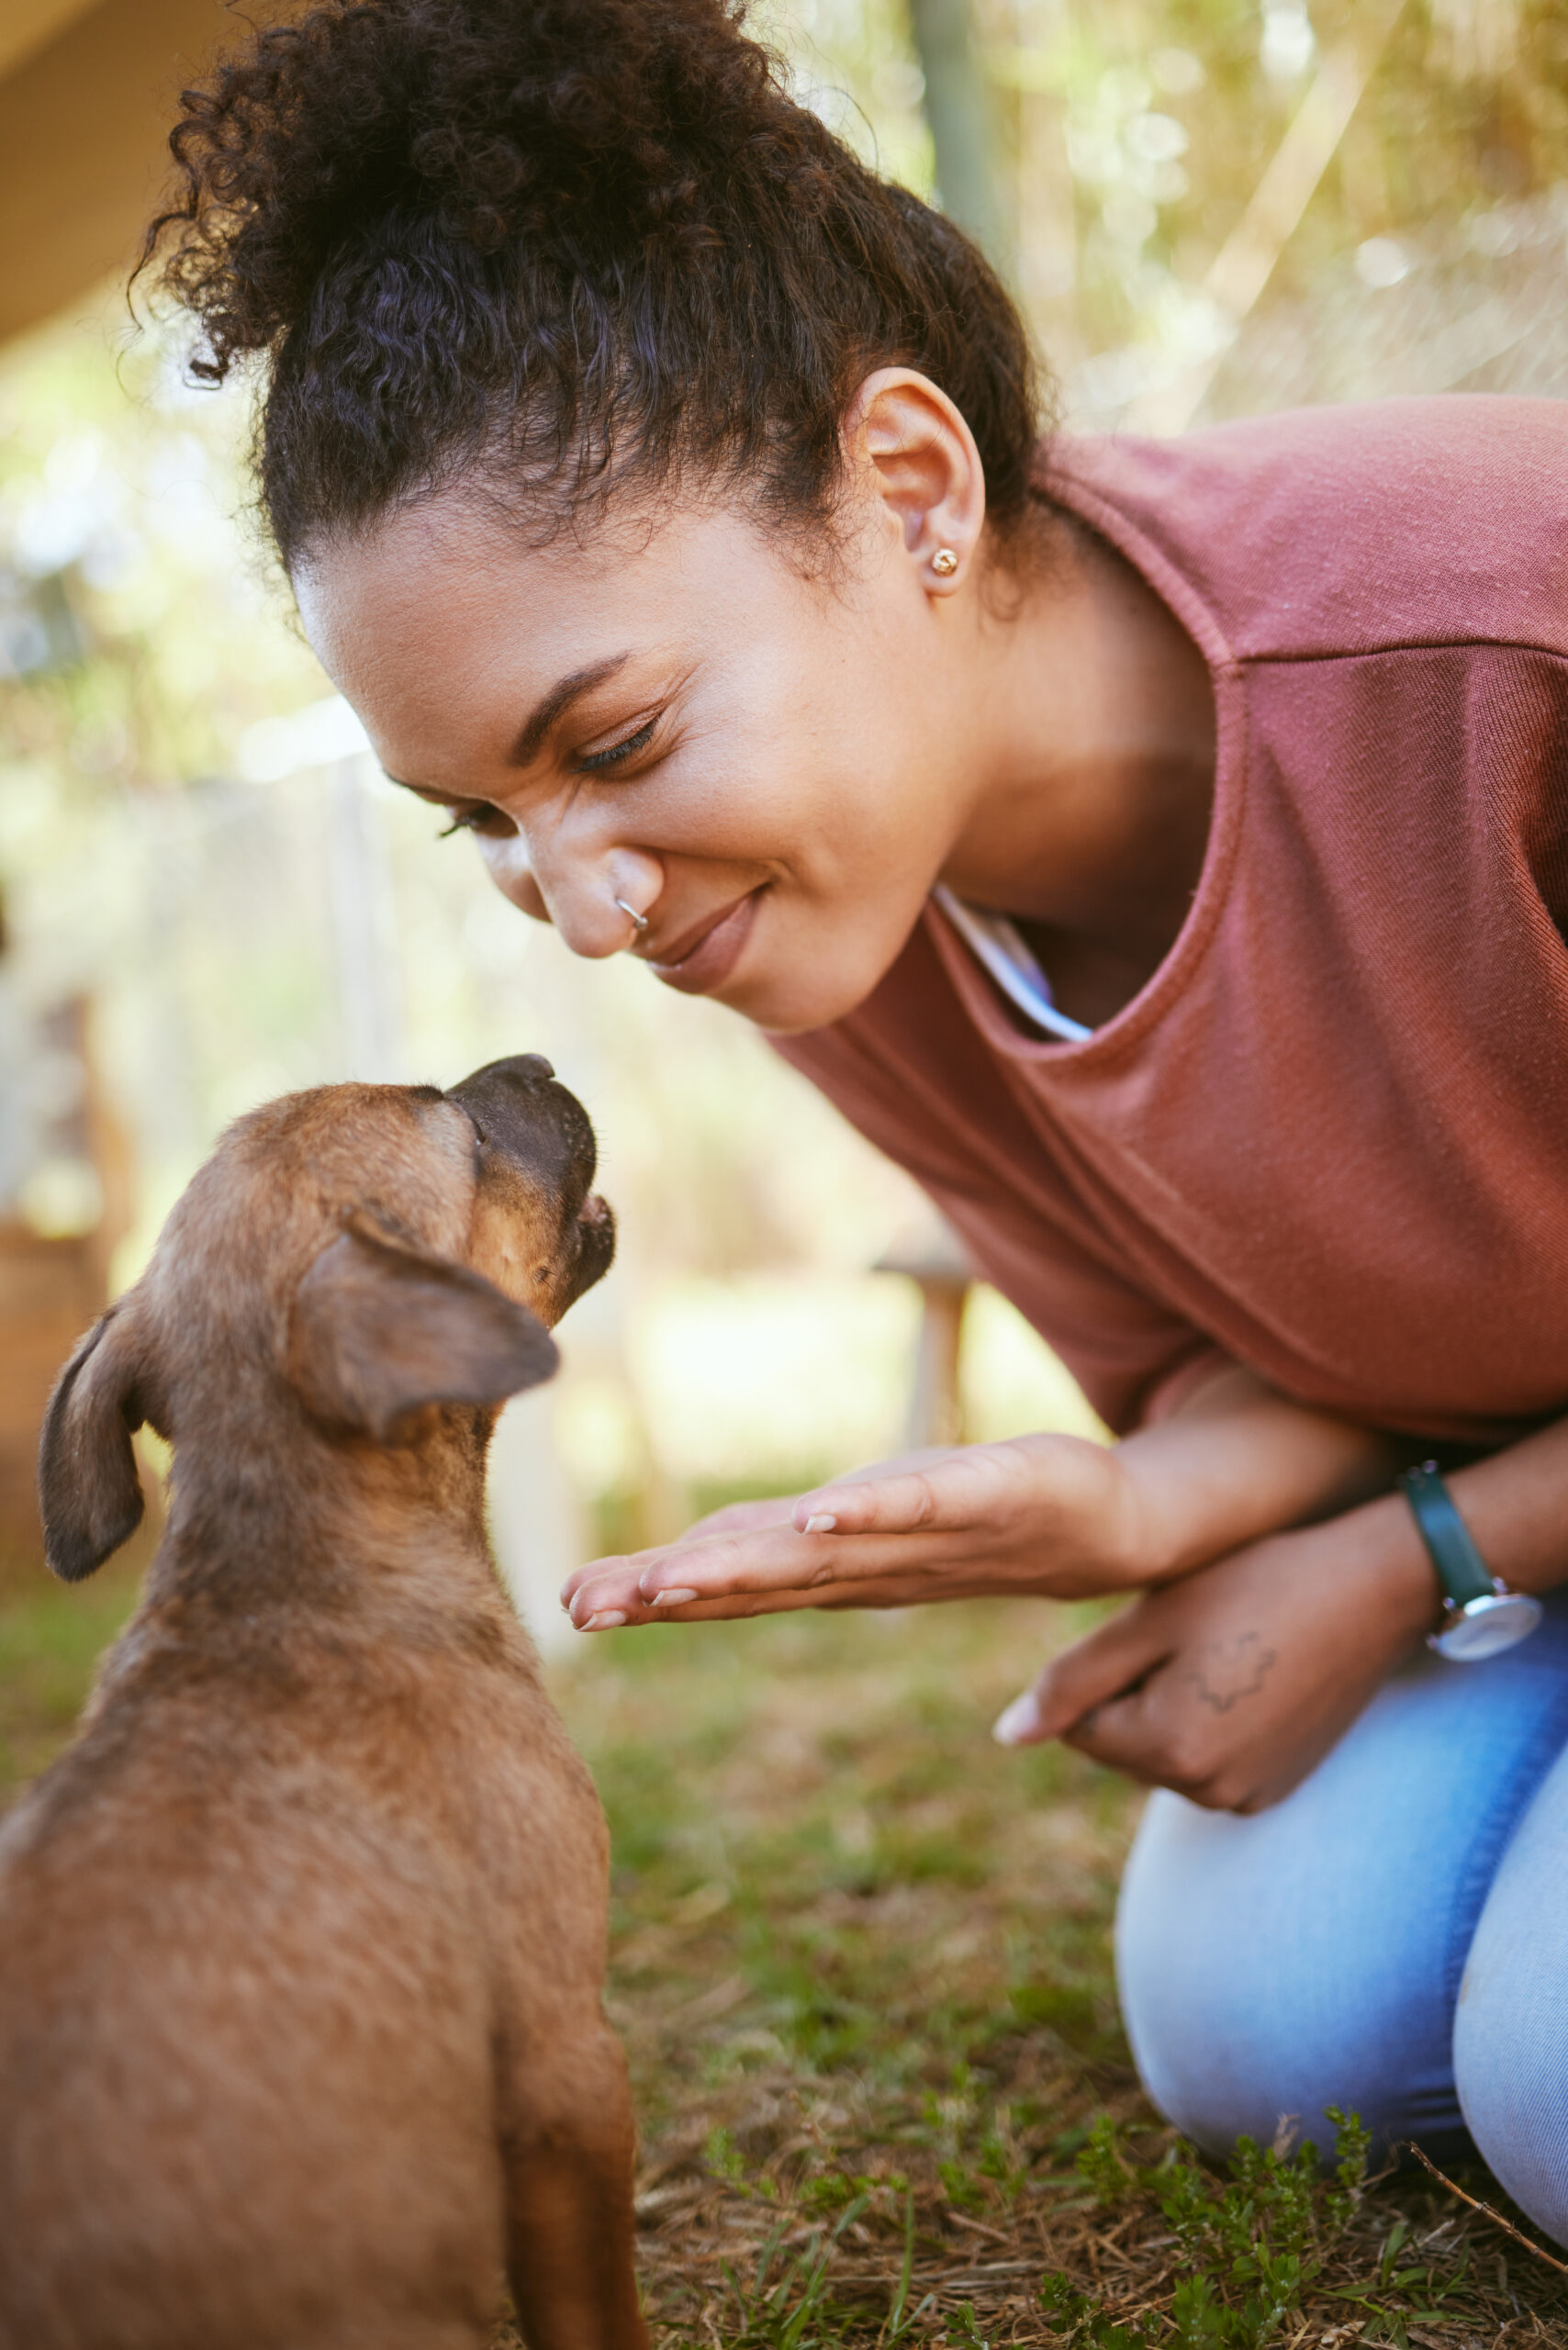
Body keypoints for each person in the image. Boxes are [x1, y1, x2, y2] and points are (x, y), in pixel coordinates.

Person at [144, 0, 1568, 2233]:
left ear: (907, 487)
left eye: (605, 738)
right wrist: (1137, 1501)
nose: (583, 910)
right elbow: (1300, 1336)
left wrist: (1417, 1557)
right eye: (481, 822)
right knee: (1260, 2037)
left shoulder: (1494, 642)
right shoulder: (826, 907)